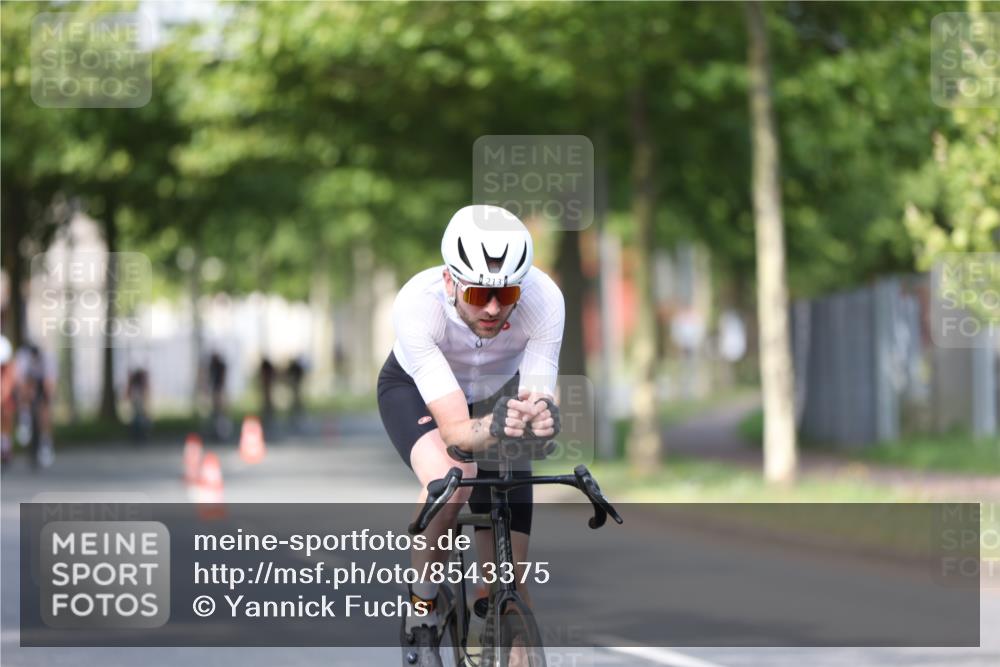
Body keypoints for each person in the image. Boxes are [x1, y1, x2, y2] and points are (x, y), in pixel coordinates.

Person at [377, 205, 564, 666]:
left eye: (507, 293)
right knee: (454, 472)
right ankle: (421, 602)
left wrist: (542, 417)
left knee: (512, 579)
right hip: (417, 391)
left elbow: (537, 394)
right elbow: (458, 431)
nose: (494, 308)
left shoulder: (546, 300)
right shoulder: (417, 305)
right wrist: (498, 424)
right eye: (479, 294)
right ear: (450, 282)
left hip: (497, 390)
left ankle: (498, 608)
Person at [15, 343, 57, 469]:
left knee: (45, 410)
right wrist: (27, 396)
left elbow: (50, 383)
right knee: (24, 391)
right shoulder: (23, 358)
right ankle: (25, 419)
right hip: (28, 381)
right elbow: (20, 382)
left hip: (43, 381)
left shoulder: (49, 359)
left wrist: (46, 400)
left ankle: (46, 442)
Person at [0, 335, 16, 470]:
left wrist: (4, 394)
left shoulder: (3, 343)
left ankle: (5, 445)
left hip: (4, 385)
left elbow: (7, 374)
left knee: (6, 412)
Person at [125, 367, 150, 443]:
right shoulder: (139, 386)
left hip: (136, 404)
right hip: (138, 404)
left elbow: (129, 395)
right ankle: (139, 437)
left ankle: (137, 436)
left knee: (136, 419)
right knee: (139, 419)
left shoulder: (134, 385)